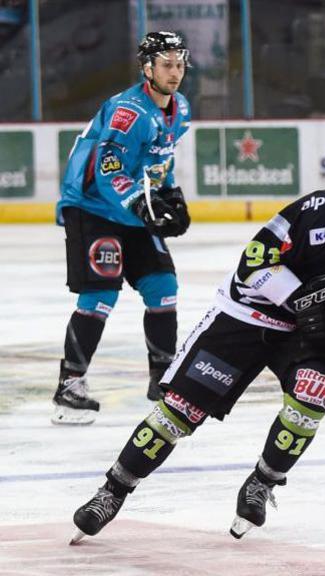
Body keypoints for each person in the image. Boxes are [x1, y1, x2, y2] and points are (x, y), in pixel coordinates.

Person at [69, 149, 325, 542]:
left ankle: (263, 482)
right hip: (247, 315)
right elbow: (255, 261)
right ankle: (111, 492)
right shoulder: (319, 211)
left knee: (314, 391)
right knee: (178, 412)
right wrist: (301, 298)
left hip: (311, 336)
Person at [52, 31, 193, 425]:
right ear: (147, 68)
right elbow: (107, 167)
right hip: (93, 206)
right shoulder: (127, 111)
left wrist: (169, 196)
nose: (175, 72)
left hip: (132, 208)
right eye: (166, 64)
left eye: (180, 64)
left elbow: (158, 159)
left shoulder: (179, 108)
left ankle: (162, 376)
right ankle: (70, 385)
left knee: (163, 287)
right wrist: (140, 203)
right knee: (100, 294)